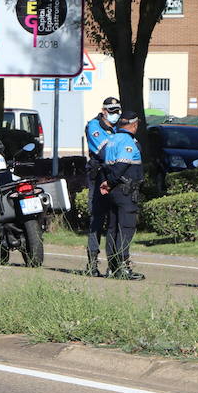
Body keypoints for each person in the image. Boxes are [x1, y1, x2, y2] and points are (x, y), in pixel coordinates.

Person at [99, 113, 146, 280]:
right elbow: (121, 166)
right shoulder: (127, 142)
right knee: (125, 229)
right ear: (134, 125)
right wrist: (110, 182)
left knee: (112, 228)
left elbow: (103, 164)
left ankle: (112, 268)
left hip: (113, 192)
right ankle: (123, 268)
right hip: (125, 191)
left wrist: (106, 183)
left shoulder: (111, 140)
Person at [82, 96, 121, 276]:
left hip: (115, 177)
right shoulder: (94, 126)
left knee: (115, 221)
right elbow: (104, 151)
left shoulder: (119, 127)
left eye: (117, 111)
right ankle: (92, 264)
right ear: (104, 111)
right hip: (99, 176)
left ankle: (115, 264)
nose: (115, 115)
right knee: (97, 220)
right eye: (112, 112)